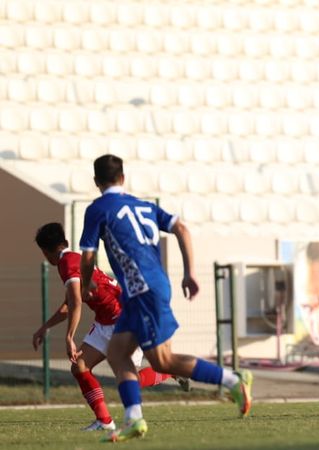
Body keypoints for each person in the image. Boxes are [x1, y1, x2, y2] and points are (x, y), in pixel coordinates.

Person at [78, 155, 252, 442]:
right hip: (148, 288)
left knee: (162, 361)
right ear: (123, 178)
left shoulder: (98, 209)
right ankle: (133, 419)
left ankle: (233, 380)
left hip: (142, 290)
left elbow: (87, 255)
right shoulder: (144, 206)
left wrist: (86, 286)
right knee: (118, 354)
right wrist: (189, 273)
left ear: (96, 182)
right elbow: (181, 228)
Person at [31, 222, 189, 432]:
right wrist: (45, 327)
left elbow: (76, 302)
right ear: (65, 242)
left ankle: (170, 371)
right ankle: (104, 421)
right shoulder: (71, 260)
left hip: (125, 319)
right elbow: (70, 303)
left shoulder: (67, 264)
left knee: (130, 381)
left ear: (45, 252)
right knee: (80, 367)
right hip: (105, 320)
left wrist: (69, 337)